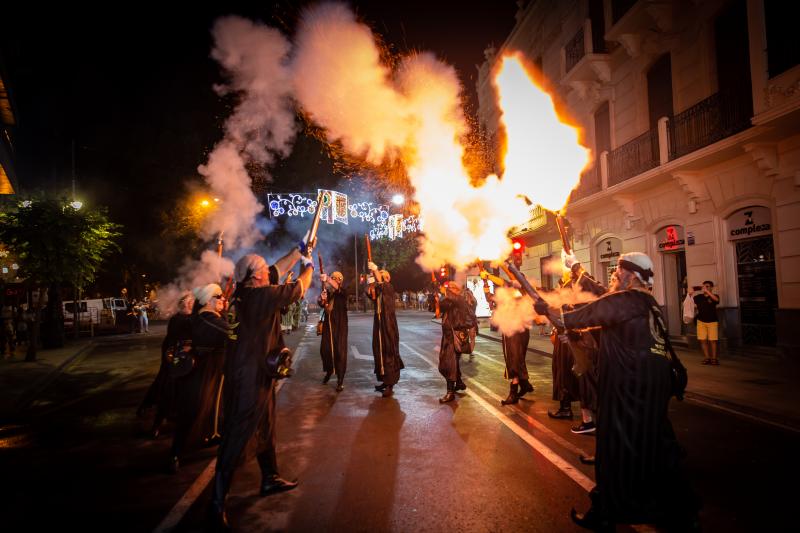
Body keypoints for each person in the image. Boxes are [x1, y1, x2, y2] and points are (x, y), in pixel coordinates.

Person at [536, 252, 699, 531]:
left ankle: (608, 513)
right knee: (655, 446)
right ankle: (678, 512)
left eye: (618, 271)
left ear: (632, 276)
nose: (613, 274)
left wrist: (545, 310)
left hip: (627, 387)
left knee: (614, 450)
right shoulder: (646, 301)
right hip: (651, 386)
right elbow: (603, 298)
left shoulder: (623, 301)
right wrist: (576, 267)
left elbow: (571, 319)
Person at [208, 243, 313, 530]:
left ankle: (269, 477)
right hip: (249, 376)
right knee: (237, 435)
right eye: (265, 271)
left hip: (248, 372)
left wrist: (298, 250)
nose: (270, 273)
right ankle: (216, 502)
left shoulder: (244, 293)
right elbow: (299, 288)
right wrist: (308, 266)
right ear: (256, 277)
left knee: (265, 424)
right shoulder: (259, 297)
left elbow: (279, 268)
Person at [168, 285, 228, 474]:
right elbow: (232, 334)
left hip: (215, 370)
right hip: (203, 371)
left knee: (215, 408)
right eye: (219, 296)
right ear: (209, 300)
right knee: (194, 409)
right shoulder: (206, 319)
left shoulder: (211, 317)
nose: (223, 299)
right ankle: (175, 453)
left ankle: (212, 435)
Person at [548, 255, 605, 423]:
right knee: (565, 371)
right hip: (567, 334)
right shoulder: (566, 286)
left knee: (576, 373)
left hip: (577, 336)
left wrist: (576, 266)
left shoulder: (583, 285)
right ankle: (575, 410)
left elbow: (595, 289)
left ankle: (585, 416)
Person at [137, 291, 194, 439]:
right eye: (192, 300)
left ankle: (166, 421)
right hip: (176, 363)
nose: (194, 302)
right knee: (168, 394)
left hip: (176, 361)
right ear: (187, 303)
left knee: (173, 395)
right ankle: (157, 424)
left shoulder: (180, 318)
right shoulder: (183, 319)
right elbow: (178, 341)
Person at [366, 262, 404, 397]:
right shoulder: (379, 289)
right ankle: (384, 380)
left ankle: (390, 384)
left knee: (389, 353)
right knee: (379, 352)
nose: (378, 280)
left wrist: (375, 269)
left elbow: (381, 283)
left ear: (387, 278)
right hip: (379, 326)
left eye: (381, 277)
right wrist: (370, 279)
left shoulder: (388, 287)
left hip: (388, 326)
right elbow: (371, 293)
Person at [437, 283, 477, 403]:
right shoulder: (451, 301)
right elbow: (441, 305)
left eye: (450, 289)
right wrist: (444, 294)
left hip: (455, 337)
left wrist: (447, 292)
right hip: (449, 336)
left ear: (456, 290)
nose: (448, 291)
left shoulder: (460, 299)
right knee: (451, 362)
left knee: (449, 363)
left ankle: (450, 392)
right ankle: (458, 382)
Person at [318, 271, 349, 392]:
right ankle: (329, 371)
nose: (333, 280)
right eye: (332, 278)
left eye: (335, 279)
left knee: (340, 353)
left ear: (340, 280)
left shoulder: (343, 292)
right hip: (328, 327)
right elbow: (321, 304)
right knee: (325, 350)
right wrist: (322, 298)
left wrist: (327, 280)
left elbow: (337, 287)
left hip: (340, 327)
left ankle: (340, 380)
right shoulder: (328, 293)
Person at [694, 280, 720, 365]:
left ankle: (714, 358)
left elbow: (716, 300)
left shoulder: (714, 296)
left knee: (713, 340)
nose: (705, 288)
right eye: (704, 286)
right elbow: (689, 300)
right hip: (701, 321)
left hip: (712, 321)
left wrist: (708, 292)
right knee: (703, 340)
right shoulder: (698, 297)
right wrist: (691, 291)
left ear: (711, 288)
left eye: (708, 286)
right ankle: (707, 358)